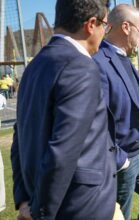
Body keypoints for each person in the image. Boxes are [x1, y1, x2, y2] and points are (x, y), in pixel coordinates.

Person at [10, 0, 118, 219]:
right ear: (90, 24)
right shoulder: (80, 66)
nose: (104, 33)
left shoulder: (33, 67)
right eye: (105, 25)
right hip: (78, 206)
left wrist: (24, 199)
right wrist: (41, 211)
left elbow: (19, 137)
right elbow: (63, 149)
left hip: (44, 200)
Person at [93, 4, 139, 220]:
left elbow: (132, 110)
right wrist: (120, 160)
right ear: (126, 27)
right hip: (120, 159)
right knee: (118, 216)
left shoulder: (122, 57)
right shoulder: (99, 62)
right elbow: (99, 121)